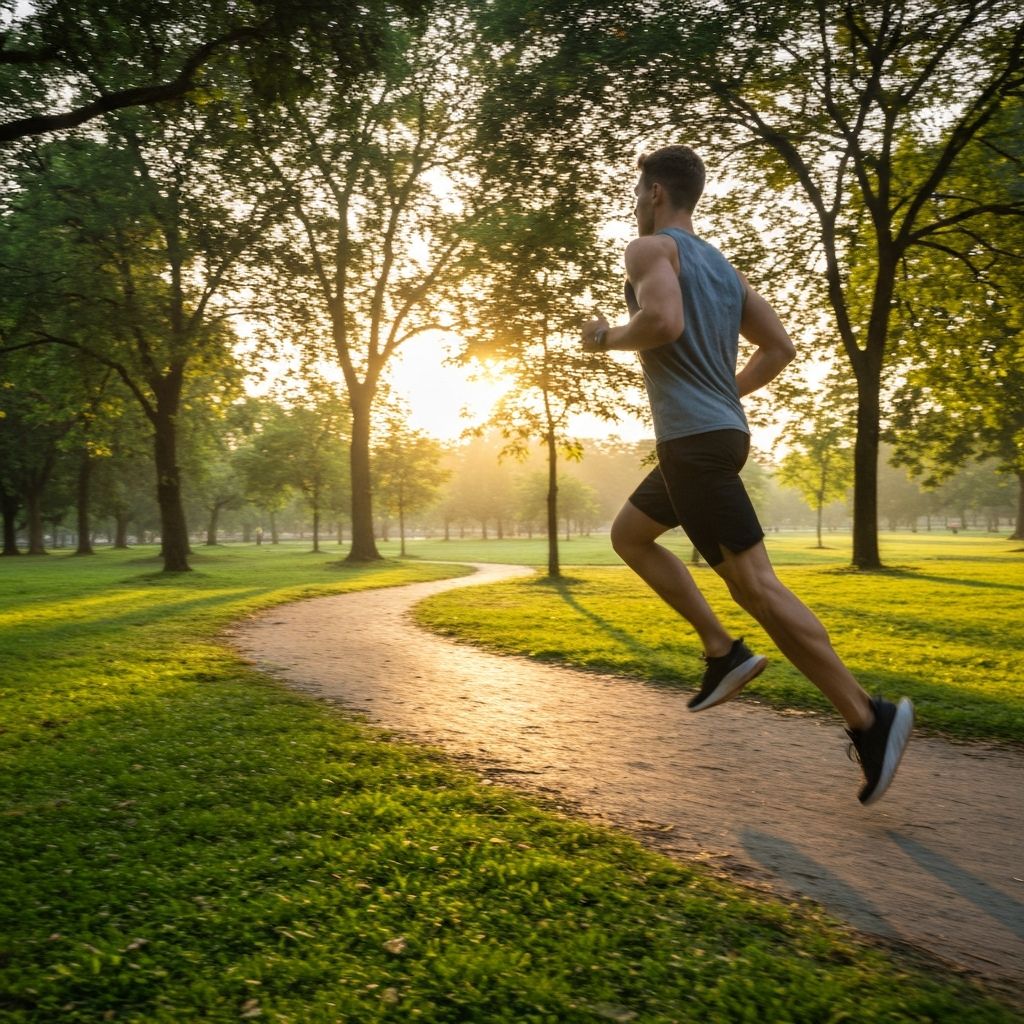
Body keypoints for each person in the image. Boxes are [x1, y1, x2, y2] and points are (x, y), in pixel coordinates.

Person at [581, 145, 912, 806]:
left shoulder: (648, 251)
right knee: (630, 535)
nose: (633, 203)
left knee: (757, 586)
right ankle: (719, 650)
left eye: (635, 191)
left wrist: (604, 337)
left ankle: (868, 719)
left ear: (653, 193)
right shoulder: (724, 270)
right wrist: (721, 392)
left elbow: (662, 321)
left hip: (694, 444)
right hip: (720, 434)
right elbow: (780, 348)